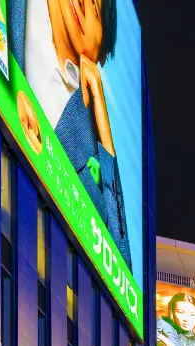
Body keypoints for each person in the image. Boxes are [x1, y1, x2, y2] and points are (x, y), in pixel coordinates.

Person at [7, 0, 132, 268]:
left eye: (98, 9)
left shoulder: (86, 141)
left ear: (103, 50)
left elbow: (120, 268)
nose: (85, 3)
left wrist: (103, 126)